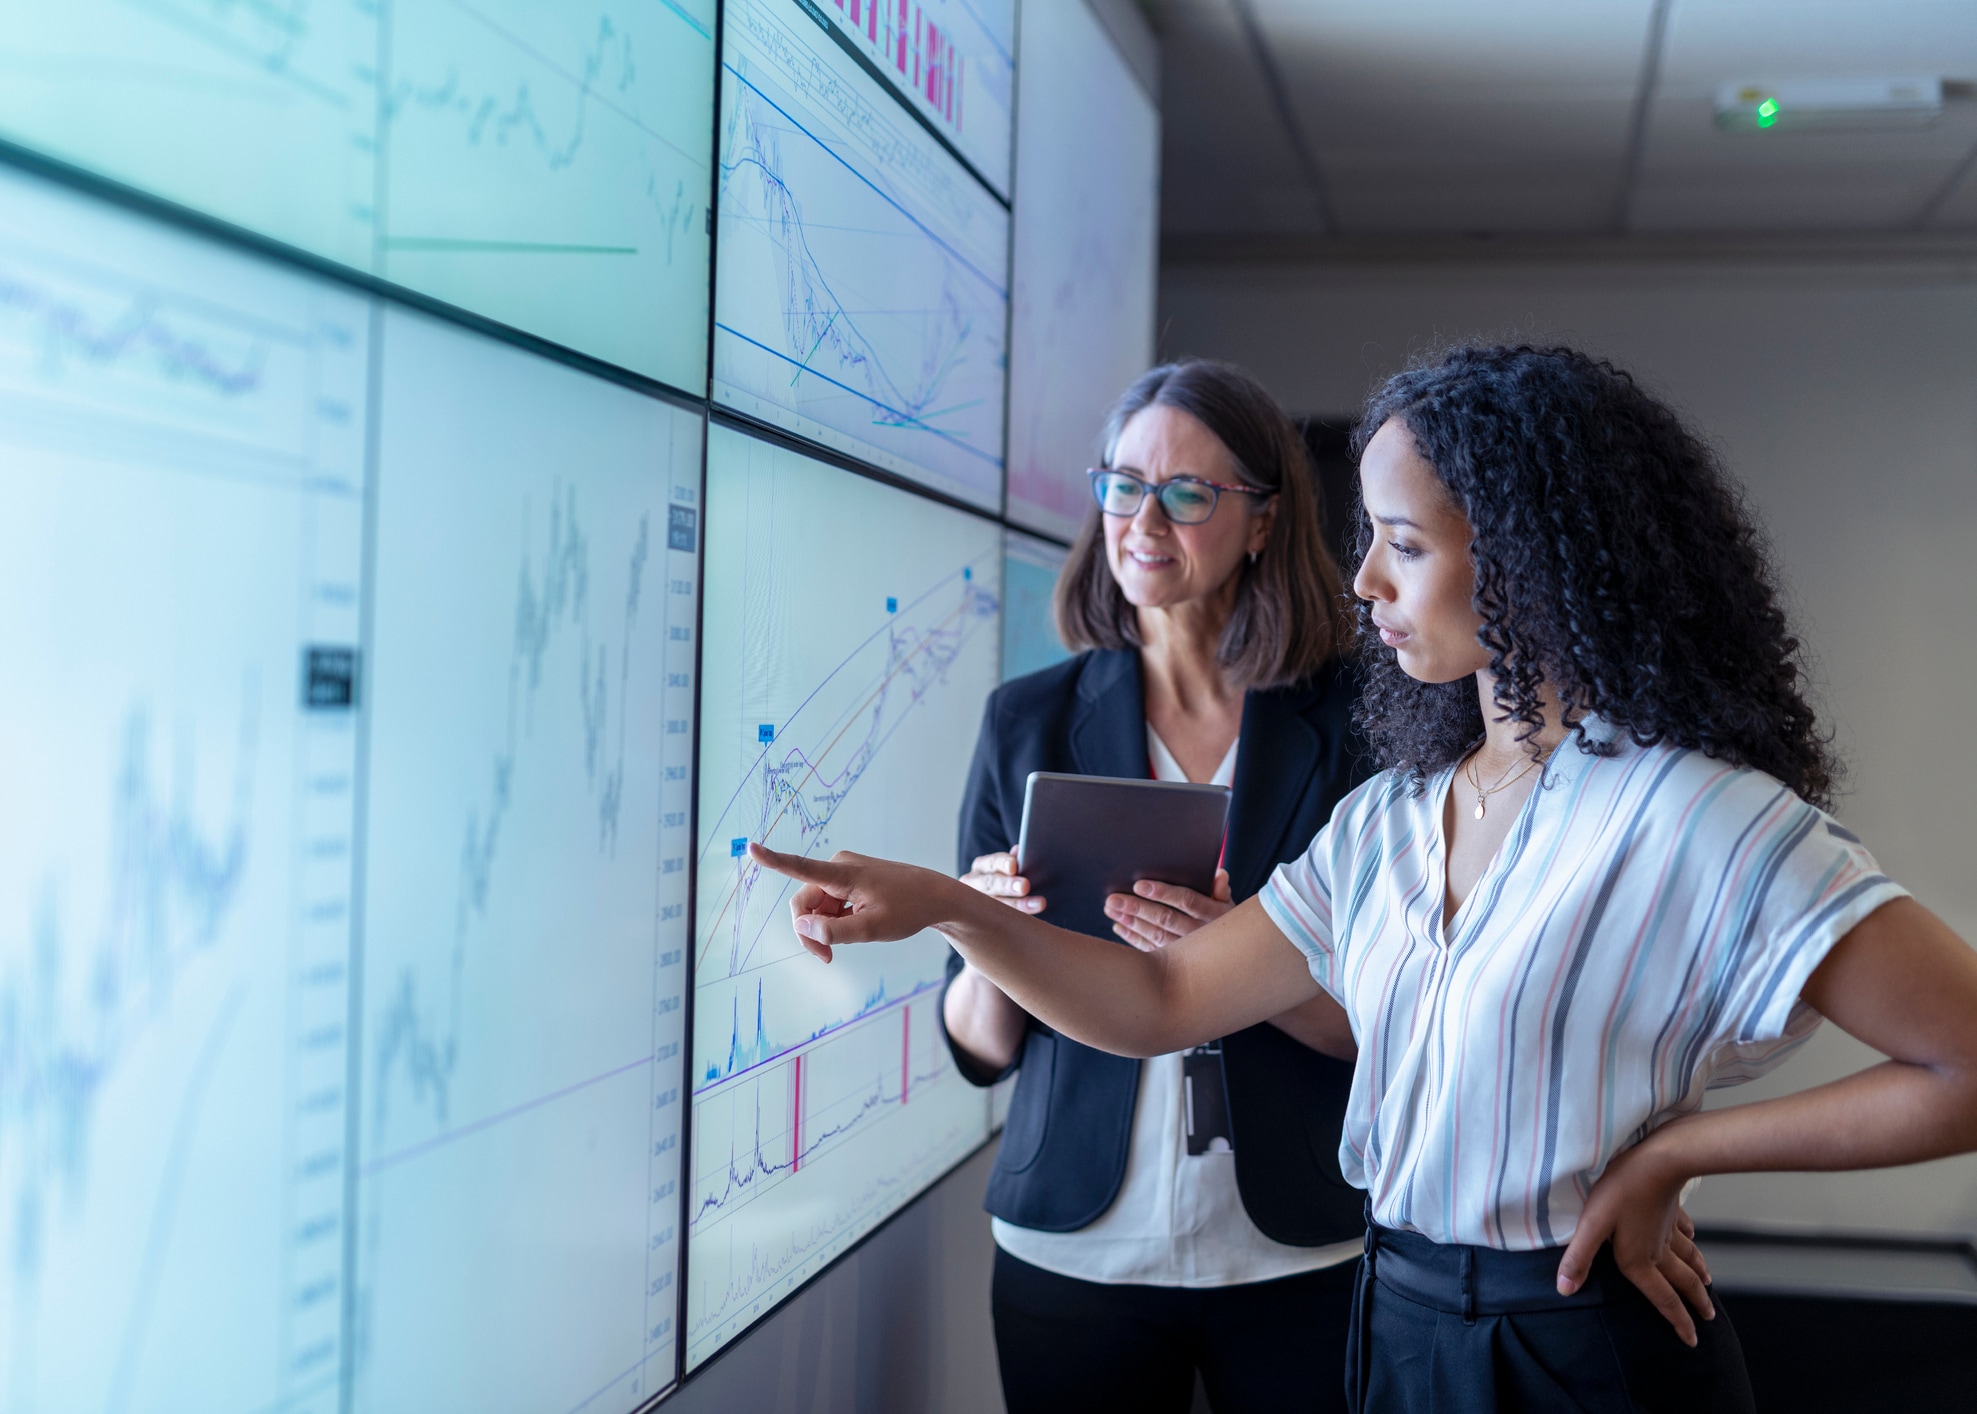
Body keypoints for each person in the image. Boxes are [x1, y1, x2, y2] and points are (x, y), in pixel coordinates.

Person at [751, 344, 1977, 1412]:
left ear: (1528, 558)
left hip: (1578, 1329)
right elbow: (1162, 1001)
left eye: (1401, 544)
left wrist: (1671, 1158)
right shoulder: (1392, 816)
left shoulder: (1692, 813)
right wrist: (951, 905)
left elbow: (1961, 1063)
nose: (1365, 584)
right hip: (1392, 1319)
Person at [945, 360, 1367, 1413]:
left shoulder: (1355, 727)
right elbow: (979, 1046)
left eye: (1187, 493)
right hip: (1074, 1244)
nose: (1144, 518)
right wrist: (987, 932)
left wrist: (1243, 956)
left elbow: (1391, 1022)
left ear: (1263, 522)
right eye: (1124, 484)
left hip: (1296, 1247)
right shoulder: (1024, 720)